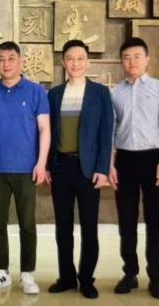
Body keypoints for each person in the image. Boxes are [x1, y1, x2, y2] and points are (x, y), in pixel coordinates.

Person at [0, 42, 50, 295]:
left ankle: (27, 273)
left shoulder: (36, 91)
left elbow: (44, 129)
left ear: (20, 61)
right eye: (1, 59)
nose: (6, 64)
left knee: (27, 223)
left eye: (11, 58)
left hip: (26, 169)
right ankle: (1, 271)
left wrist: (41, 163)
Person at [46, 40, 114, 299]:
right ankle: (66, 277)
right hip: (61, 167)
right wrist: (48, 165)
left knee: (89, 227)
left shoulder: (100, 93)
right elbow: (49, 134)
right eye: (70, 58)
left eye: (80, 58)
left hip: (88, 169)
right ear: (63, 62)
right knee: (63, 227)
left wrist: (103, 168)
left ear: (87, 62)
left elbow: (106, 133)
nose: (75, 63)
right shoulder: (54, 94)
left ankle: (86, 279)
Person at [110, 37, 159, 300]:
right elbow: (112, 132)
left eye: (137, 56)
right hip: (125, 160)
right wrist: (110, 164)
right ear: (121, 61)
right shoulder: (115, 92)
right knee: (126, 221)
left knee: (154, 220)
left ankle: (155, 277)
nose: (132, 62)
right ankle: (130, 273)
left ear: (147, 59)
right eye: (127, 57)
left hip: (153, 159)